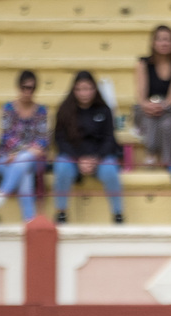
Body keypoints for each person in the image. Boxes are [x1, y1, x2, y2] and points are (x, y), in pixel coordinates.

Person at [52, 70, 123, 224]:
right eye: (79, 89)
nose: (84, 93)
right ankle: (61, 212)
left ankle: (118, 214)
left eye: (87, 88)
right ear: (74, 90)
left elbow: (109, 139)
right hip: (73, 157)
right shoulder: (64, 110)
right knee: (62, 167)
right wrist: (78, 159)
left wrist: (95, 159)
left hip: (99, 157)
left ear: (94, 89)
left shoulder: (104, 110)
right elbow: (59, 140)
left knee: (111, 169)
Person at [0, 69, 48, 222]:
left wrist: (20, 152)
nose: (28, 92)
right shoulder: (8, 108)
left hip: (27, 159)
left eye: (31, 88)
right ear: (18, 88)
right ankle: (29, 221)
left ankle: (3, 192)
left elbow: (43, 139)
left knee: (24, 160)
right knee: (24, 175)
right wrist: (25, 150)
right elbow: (6, 136)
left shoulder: (41, 110)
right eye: (25, 88)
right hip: (6, 159)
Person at [132, 25, 171, 166]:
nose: (164, 43)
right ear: (153, 42)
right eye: (160, 39)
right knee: (150, 118)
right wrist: (148, 106)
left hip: (169, 109)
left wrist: (162, 106)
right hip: (146, 109)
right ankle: (151, 153)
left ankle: (165, 159)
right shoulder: (142, 63)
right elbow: (141, 94)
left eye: (167, 40)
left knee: (167, 123)